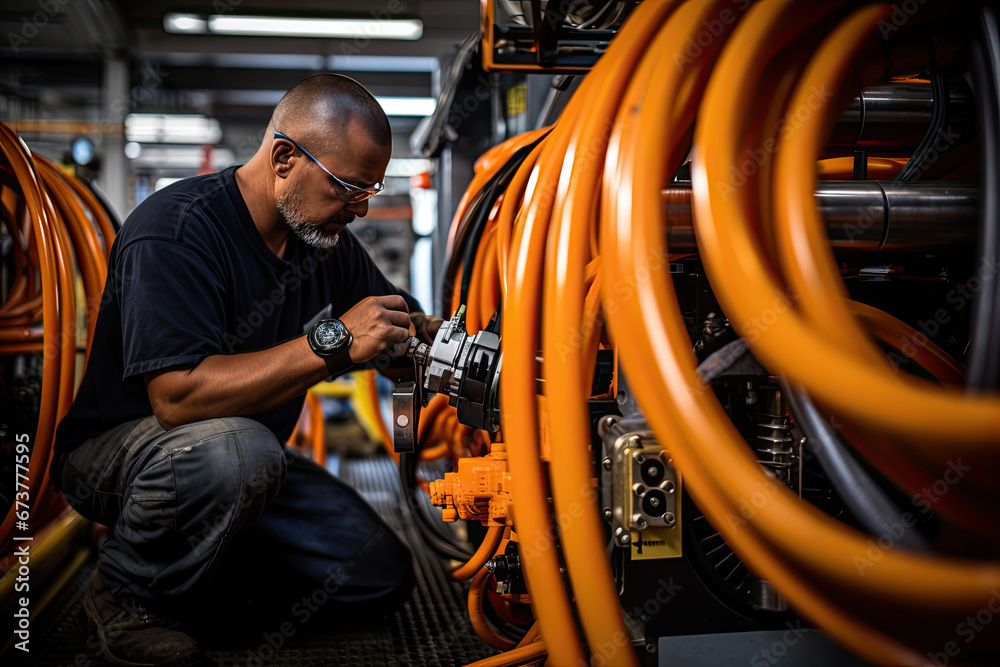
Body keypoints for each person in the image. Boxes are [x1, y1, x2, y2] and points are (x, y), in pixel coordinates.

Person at [50, 73, 442, 667]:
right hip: (131, 454)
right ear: (284, 157)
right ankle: (126, 595)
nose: (360, 210)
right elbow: (178, 400)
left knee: (377, 573)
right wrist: (335, 342)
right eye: (347, 187)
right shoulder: (176, 231)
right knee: (239, 453)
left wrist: (455, 345)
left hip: (249, 459)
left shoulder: (323, 237)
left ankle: (201, 576)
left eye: (370, 190)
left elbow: (396, 327)